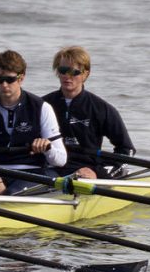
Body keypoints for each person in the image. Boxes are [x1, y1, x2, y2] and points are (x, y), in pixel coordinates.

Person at [0, 50, 67, 194]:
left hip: (33, 173)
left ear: (21, 78)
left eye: (9, 80)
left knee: (10, 193)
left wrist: (48, 148)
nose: (4, 85)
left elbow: (61, 160)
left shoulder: (41, 108)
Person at [42, 46, 135, 179]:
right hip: (50, 170)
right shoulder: (43, 105)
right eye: (63, 70)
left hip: (85, 172)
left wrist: (98, 173)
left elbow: (127, 150)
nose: (67, 76)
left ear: (86, 74)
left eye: (74, 72)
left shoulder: (101, 109)